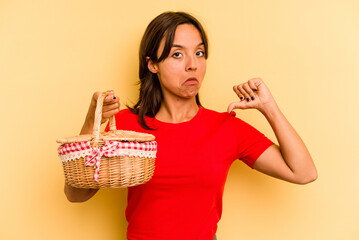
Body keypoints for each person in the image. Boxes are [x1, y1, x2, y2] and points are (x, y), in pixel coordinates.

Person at [64, 11, 317, 240]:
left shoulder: (226, 128)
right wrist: (91, 123)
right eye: (177, 54)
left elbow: (304, 173)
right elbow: (76, 195)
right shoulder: (126, 128)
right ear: (153, 64)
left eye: (199, 53)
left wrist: (269, 108)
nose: (192, 64)